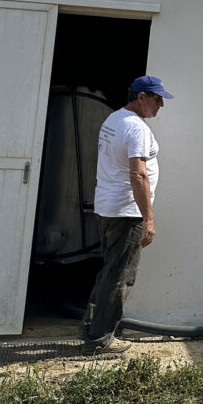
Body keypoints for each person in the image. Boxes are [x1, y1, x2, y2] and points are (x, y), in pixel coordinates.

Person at [80, 75, 174, 354]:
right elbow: (138, 173)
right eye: (157, 99)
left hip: (108, 207)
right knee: (121, 276)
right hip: (127, 212)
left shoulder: (114, 119)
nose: (161, 105)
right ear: (141, 97)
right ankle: (100, 340)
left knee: (109, 270)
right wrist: (149, 219)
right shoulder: (136, 128)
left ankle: (90, 328)